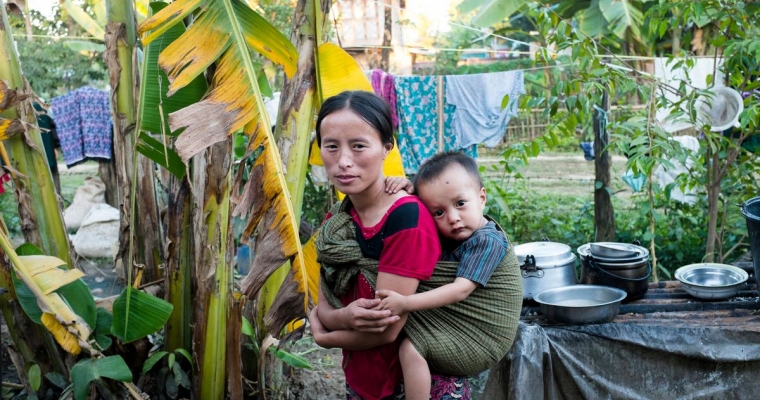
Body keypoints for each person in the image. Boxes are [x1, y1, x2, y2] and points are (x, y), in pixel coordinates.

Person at [308, 91, 472, 399]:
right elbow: (325, 305)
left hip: (413, 383)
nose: (343, 161)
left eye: (358, 146)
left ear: (386, 147)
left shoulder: (407, 218)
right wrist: (342, 318)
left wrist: (326, 336)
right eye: (331, 146)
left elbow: (386, 330)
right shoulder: (338, 219)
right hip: (361, 377)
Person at [380, 151, 513, 400]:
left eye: (460, 204)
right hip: (451, 327)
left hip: (479, 338)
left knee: (411, 348)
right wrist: (407, 192)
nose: (452, 218)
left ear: (481, 198)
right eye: (438, 212)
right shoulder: (452, 235)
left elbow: (460, 290)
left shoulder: (487, 241)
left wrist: (405, 302)